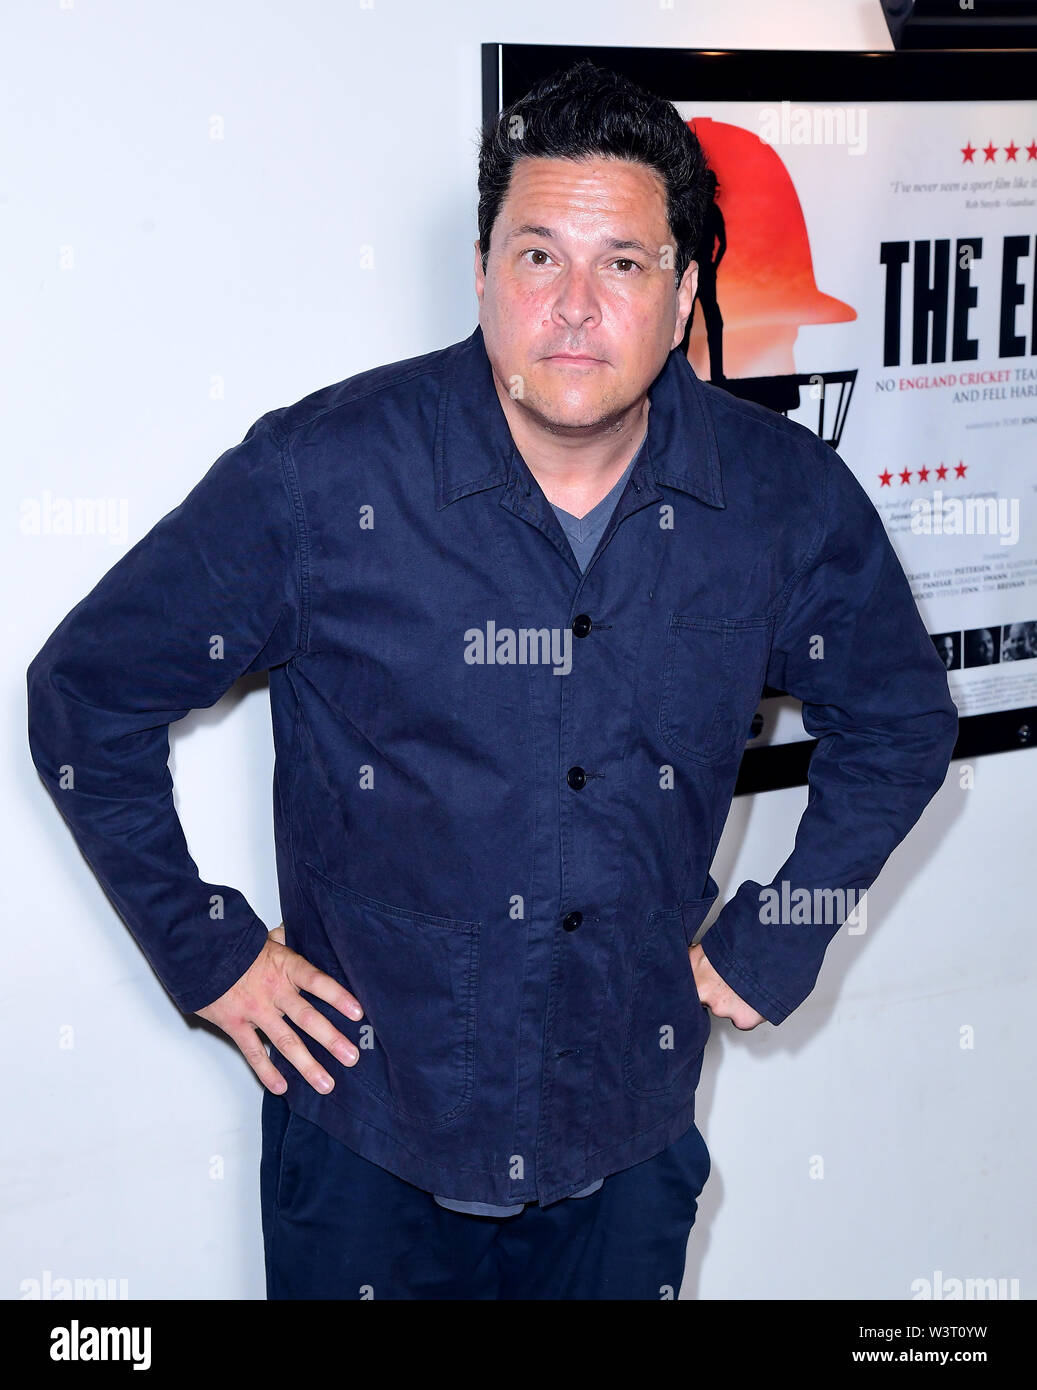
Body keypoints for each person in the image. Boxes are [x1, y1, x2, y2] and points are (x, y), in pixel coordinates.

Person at [26, 60, 959, 1300]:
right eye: (535, 257)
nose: (573, 306)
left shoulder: (778, 501)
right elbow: (84, 692)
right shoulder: (322, 477)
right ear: (480, 275)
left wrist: (774, 935)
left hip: (622, 1155)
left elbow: (897, 721)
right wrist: (211, 953)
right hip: (368, 1153)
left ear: (683, 295)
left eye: (621, 264)